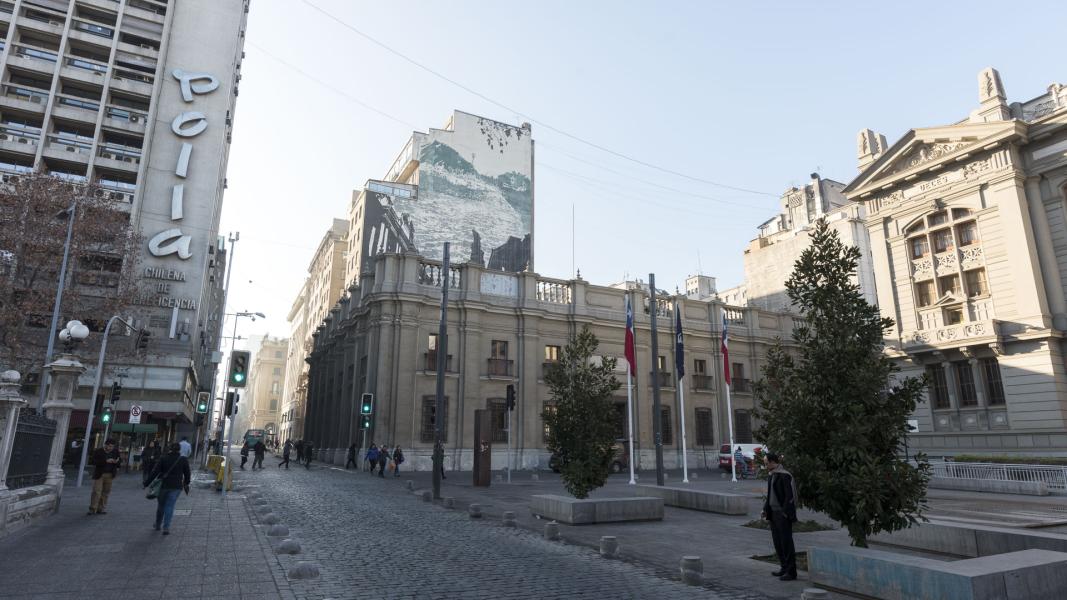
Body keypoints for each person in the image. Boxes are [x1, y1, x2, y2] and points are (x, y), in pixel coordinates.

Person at [761, 452, 798, 581]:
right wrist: (765, 509)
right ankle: (784, 567)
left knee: (786, 542)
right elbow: (770, 494)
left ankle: (791, 571)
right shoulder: (772, 475)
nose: (765, 466)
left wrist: (784, 513)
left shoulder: (784, 475)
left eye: (766, 463)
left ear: (772, 462)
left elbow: (789, 497)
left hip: (782, 515)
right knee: (778, 542)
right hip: (773, 514)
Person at [144, 442, 191, 535]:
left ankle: (158, 524)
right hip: (176, 486)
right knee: (170, 506)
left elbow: (154, 472)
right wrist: (186, 483)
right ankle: (166, 527)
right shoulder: (183, 459)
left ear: (170, 449)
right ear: (179, 450)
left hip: (163, 485)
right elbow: (187, 474)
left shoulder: (163, 458)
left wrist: (146, 483)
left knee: (161, 506)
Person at [88, 439, 121, 515]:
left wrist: (116, 462)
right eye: (109, 446)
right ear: (105, 445)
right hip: (100, 474)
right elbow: (93, 462)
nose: (111, 448)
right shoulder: (99, 451)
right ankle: (93, 509)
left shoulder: (115, 451)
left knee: (106, 492)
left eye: (112, 446)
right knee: (96, 491)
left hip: (110, 474)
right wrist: (105, 461)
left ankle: (101, 508)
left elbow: (119, 461)